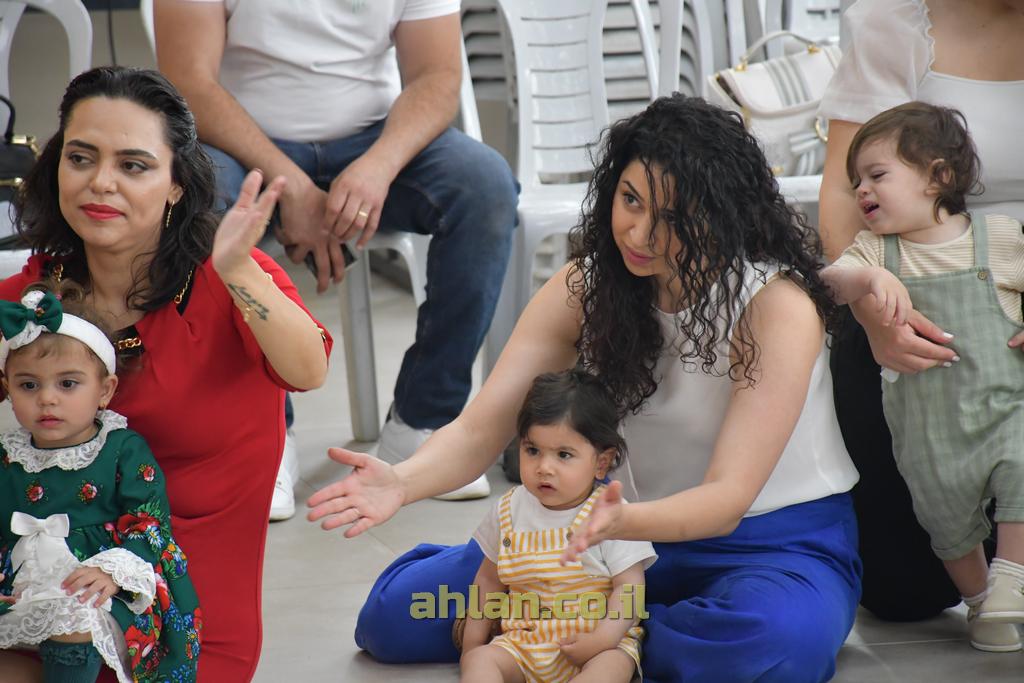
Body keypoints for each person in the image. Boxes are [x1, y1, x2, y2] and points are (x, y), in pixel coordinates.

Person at [308, 95, 862, 683]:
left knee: (772, 646)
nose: (640, 232)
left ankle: (610, 636)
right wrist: (402, 481)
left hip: (764, 544)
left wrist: (610, 535)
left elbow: (727, 501)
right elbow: (480, 428)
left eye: (672, 218)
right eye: (630, 199)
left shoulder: (776, 306)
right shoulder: (587, 285)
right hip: (596, 538)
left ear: (723, 216)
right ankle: (613, 638)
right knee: (395, 617)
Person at [0, 66, 331, 683]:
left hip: (179, 609)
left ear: (176, 184)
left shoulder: (228, 275)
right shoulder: (34, 297)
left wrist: (239, 271)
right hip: (44, 585)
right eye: (81, 157)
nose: (101, 182)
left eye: (134, 165)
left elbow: (308, 368)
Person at [154, 0, 520, 507]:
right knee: (197, 205)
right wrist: (294, 186)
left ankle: (423, 422)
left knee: (485, 188)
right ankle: (260, 439)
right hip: (240, 145)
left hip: (375, 139)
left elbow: (436, 76)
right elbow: (188, 84)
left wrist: (380, 165)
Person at [818, 0, 1024, 624]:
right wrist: (874, 315)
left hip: (1009, 291)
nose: (866, 186)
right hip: (905, 304)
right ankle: (981, 588)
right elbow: (842, 195)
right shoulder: (894, 22)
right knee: (904, 590)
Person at [0, 283, 202, 683]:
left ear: (105, 390)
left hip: (102, 584)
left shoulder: (120, 448)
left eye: (67, 384)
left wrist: (113, 571)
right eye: (29, 385)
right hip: (22, 583)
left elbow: (150, 522)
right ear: (8, 390)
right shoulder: (8, 456)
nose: (47, 399)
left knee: (76, 614)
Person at [459, 369, 657, 683]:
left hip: (596, 644)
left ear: (601, 463)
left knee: (613, 666)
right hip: (523, 643)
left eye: (564, 455)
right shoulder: (508, 510)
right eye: (532, 450)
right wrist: (472, 646)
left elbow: (630, 589)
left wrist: (602, 639)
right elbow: (487, 580)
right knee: (481, 661)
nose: (544, 467)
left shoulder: (610, 514)